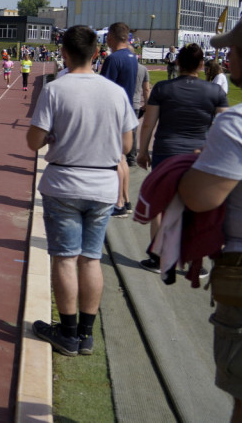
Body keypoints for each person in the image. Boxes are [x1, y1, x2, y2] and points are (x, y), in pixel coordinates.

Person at [27, 25, 137, 357]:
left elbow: (33, 141)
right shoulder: (115, 92)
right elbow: (127, 144)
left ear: (63, 52)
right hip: (103, 185)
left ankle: (68, 331)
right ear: (96, 52)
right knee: (90, 260)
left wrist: (51, 138)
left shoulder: (56, 89)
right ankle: (86, 334)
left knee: (64, 259)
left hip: (64, 183)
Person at [177, 20, 242, 418]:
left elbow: (200, 198)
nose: (228, 57)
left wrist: (193, 169)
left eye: (234, 50)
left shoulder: (235, 123)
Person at [135, 43, 227, 273]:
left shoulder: (163, 89)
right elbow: (226, 127)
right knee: (196, 206)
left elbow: (148, 123)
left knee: (161, 203)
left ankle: (158, 257)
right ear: (201, 65)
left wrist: (143, 150)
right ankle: (197, 260)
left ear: (177, 62)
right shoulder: (215, 92)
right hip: (199, 156)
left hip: (166, 152)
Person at [101, 22, 139, 218]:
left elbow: (104, 88)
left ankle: (118, 203)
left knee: (115, 159)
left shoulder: (113, 59)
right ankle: (125, 199)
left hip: (114, 114)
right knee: (122, 159)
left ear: (111, 37)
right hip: (127, 111)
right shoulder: (133, 57)